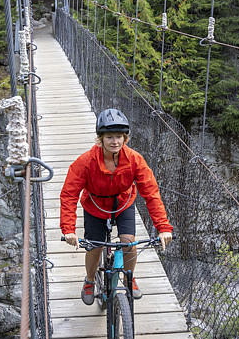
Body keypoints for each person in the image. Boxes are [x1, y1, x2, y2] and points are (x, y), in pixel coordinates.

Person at [60, 108, 173, 305]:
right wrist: (68, 229)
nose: (115, 141)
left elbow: (151, 193)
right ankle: (89, 280)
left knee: (128, 241)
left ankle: (129, 276)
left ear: (125, 138)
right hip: (95, 206)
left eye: (119, 136)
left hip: (123, 204)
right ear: (100, 139)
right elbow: (69, 194)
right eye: (109, 137)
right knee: (95, 246)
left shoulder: (135, 160)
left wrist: (163, 228)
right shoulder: (86, 162)